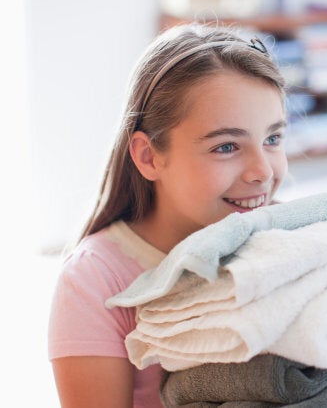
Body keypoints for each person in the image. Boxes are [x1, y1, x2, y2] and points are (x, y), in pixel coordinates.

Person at [48, 23, 288, 407]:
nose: (263, 171)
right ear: (149, 156)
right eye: (226, 146)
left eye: (272, 139)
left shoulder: (293, 240)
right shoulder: (96, 279)